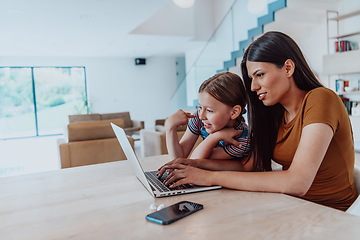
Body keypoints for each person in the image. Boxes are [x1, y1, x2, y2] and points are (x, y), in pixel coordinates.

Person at [158, 31, 358, 211]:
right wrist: (194, 166)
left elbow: (297, 182)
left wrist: (209, 177)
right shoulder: (274, 113)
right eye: (251, 78)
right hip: (289, 206)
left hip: (331, 213)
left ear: (288, 68)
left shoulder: (321, 98)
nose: (253, 87)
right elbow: (247, 168)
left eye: (260, 75)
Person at [163, 72, 250, 163]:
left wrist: (215, 137)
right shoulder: (199, 118)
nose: (201, 116)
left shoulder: (243, 140)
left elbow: (193, 162)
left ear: (234, 112)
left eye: (209, 110)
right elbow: (178, 159)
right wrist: (170, 127)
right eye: (200, 107)